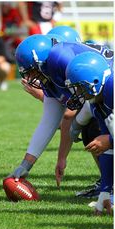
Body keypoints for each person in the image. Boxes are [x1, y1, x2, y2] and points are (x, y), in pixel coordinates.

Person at [7, 34, 113, 200]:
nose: (30, 77)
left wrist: (77, 126)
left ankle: (109, 188)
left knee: (97, 131)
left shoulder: (60, 60)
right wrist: (26, 165)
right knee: (92, 131)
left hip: (106, 89)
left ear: (41, 62)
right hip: (98, 95)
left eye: (32, 70)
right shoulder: (50, 75)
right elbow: (50, 120)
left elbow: (74, 110)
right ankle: (108, 188)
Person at [65, 51, 113, 215]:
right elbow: (108, 150)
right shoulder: (96, 102)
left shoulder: (112, 88)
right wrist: (105, 192)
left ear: (95, 80)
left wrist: (111, 140)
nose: (77, 92)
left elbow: (109, 142)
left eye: (79, 86)